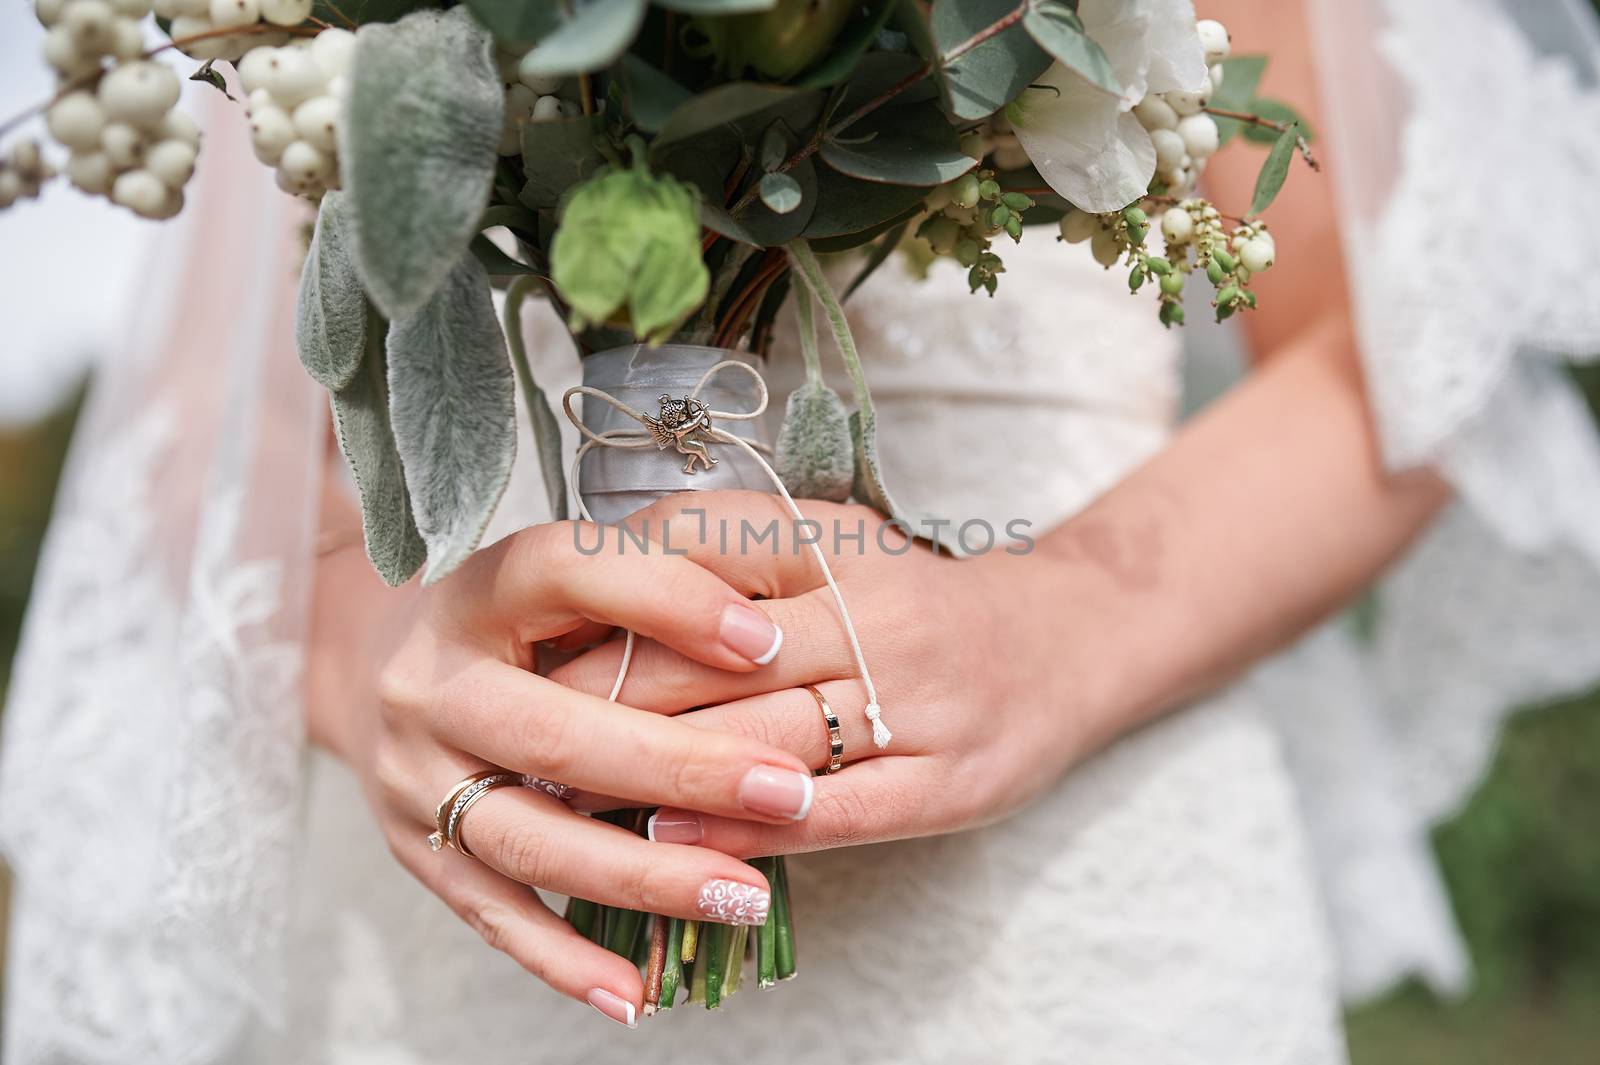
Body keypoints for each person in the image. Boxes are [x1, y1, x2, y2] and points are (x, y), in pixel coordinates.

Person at [5, 1, 1600, 1062]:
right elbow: (234, 426)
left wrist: (1043, 638)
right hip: (482, 891)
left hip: (1067, 897)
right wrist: (386, 675)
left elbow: (1396, 346)